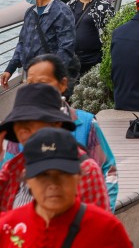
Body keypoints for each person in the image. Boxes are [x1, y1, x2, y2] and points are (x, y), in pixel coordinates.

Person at [0, 128, 138, 248]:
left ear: (78, 177)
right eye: (43, 175)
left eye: (63, 174)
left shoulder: (106, 229)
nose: (53, 184)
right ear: (27, 180)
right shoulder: (7, 227)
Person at [13, 54, 118, 209]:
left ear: (62, 84)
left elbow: (108, 171)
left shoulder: (85, 123)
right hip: (27, 225)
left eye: (43, 83)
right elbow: (7, 177)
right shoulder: (16, 128)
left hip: (79, 220)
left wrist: (102, 216)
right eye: (30, 84)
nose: (36, 89)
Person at [0, 84, 109, 212]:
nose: (23, 131)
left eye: (30, 124)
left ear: (56, 124)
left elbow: (98, 225)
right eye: (18, 125)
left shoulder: (85, 170)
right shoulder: (13, 167)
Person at [2, 0, 77, 90]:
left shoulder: (62, 12)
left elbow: (66, 48)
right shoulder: (30, 13)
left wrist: (50, 74)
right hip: (30, 76)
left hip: (49, 78)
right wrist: (10, 68)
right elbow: (22, 42)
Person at [67, 0, 113, 74]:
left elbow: (110, 34)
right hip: (71, 59)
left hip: (94, 60)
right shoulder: (71, 4)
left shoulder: (103, 7)